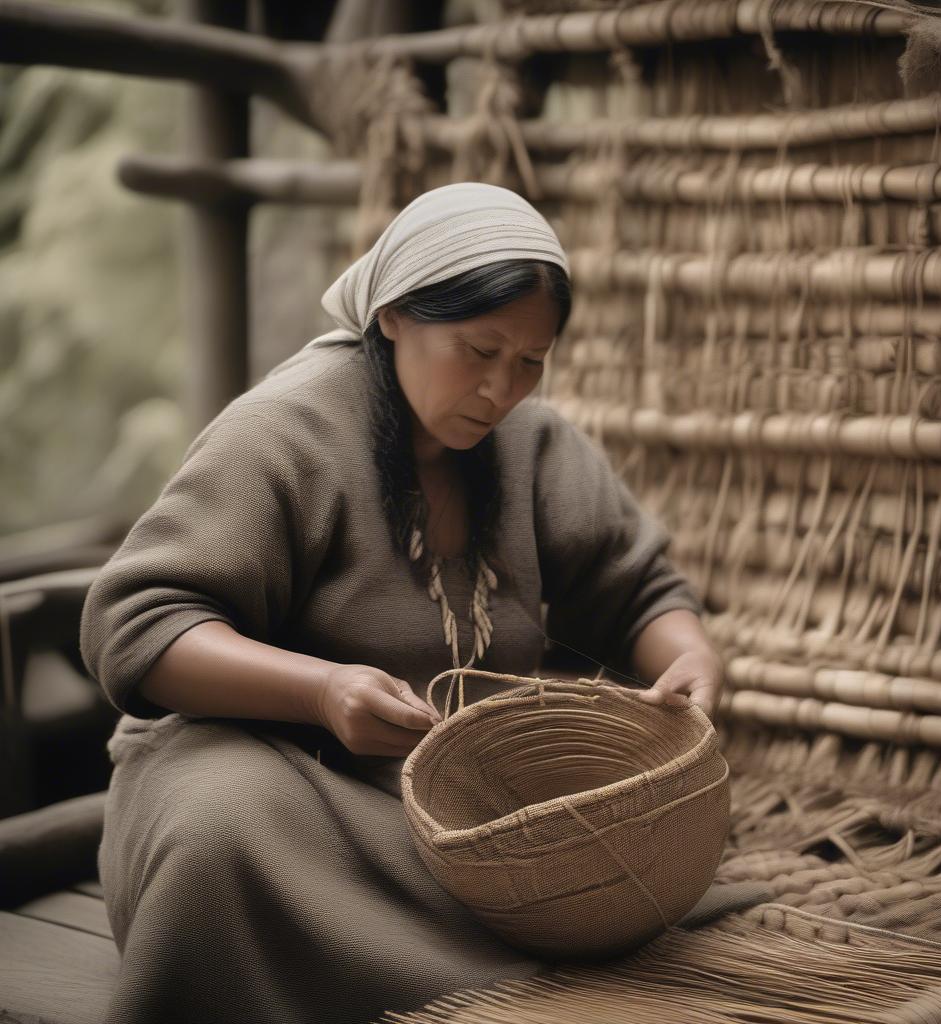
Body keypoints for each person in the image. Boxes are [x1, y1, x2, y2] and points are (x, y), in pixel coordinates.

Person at [80, 181, 725, 1024]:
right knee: (221, 830)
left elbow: (636, 587)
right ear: (393, 315)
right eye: (479, 350)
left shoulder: (532, 445)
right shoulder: (284, 433)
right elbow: (138, 625)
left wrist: (689, 655)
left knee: (591, 843)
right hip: (268, 778)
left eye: (530, 362)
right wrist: (318, 691)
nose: (502, 390)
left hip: (450, 801)